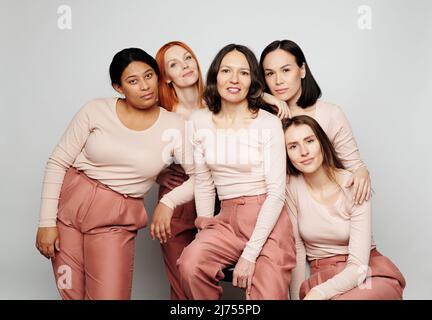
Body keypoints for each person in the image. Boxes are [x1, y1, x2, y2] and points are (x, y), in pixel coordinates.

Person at [35, 48, 194, 300]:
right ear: (119, 88)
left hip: (115, 219)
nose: (144, 86)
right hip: (68, 212)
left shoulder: (175, 126)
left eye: (149, 75)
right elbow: (57, 162)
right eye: (133, 81)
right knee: (71, 293)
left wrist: (167, 200)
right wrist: (46, 223)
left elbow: (201, 177)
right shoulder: (95, 110)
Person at [177, 44, 296, 300]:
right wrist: (205, 230)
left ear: (252, 80)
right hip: (225, 221)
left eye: (243, 73)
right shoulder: (198, 121)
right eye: (226, 71)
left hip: (268, 218)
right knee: (190, 264)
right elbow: (205, 183)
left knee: (267, 293)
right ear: (215, 77)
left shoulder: (268, 123)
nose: (234, 79)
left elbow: (277, 193)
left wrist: (250, 254)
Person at [283, 115, 406, 300]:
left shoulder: (354, 183)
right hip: (322, 275)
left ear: (322, 142)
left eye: (309, 141)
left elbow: (358, 265)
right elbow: (298, 250)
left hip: (367, 273)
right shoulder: (291, 187)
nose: (304, 151)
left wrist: (319, 293)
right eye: (293, 146)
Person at [260, 40, 371, 205]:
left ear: (302, 70)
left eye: (286, 70)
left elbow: (354, 165)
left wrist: (362, 172)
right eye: (269, 73)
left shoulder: (330, 114)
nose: (278, 81)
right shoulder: (265, 118)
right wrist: (263, 96)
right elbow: (228, 98)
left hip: (328, 208)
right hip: (280, 208)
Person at [152, 41, 205, 300]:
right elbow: (130, 151)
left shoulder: (219, 102)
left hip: (216, 201)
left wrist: (272, 98)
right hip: (176, 203)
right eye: (174, 64)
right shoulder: (163, 115)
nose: (184, 65)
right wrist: (156, 175)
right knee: (182, 286)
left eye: (188, 58)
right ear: (167, 78)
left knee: (205, 281)